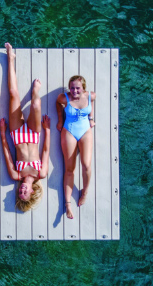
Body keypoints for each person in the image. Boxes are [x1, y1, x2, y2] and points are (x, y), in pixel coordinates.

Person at [0, 43, 51, 212]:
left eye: (19, 192)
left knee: (13, 94)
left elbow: (7, 153)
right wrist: (47, 130)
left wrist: (2, 133)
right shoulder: (41, 174)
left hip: (16, 134)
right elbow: (44, 151)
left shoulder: (17, 175)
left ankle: (10, 59)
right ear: (33, 191)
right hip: (34, 134)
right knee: (36, 104)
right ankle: (35, 92)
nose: (22, 190)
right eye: (25, 192)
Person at [56, 75, 96, 219]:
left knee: (86, 165)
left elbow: (92, 103)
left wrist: (91, 118)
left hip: (85, 131)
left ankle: (84, 191)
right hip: (69, 131)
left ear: (83, 88)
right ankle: (67, 205)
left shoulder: (90, 96)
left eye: (77, 88)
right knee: (69, 169)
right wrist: (60, 120)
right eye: (72, 87)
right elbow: (58, 104)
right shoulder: (64, 98)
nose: (74, 91)